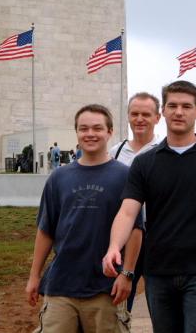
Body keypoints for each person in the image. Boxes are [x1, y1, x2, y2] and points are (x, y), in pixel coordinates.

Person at [103, 80, 196, 333]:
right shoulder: (144, 163)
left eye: (187, 106)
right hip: (158, 272)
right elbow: (127, 212)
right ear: (163, 112)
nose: (179, 112)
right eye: (173, 105)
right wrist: (114, 246)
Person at [25, 104, 141, 333]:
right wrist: (34, 276)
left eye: (97, 128)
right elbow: (45, 230)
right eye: (83, 128)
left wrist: (127, 275)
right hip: (60, 287)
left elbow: (136, 230)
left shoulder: (126, 176)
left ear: (109, 132)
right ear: (76, 133)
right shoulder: (58, 178)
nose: (90, 134)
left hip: (106, 289)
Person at [108, 92, 161, 312]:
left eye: (146, 114)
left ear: (157, 118)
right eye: (135, 114)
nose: (140, 119)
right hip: (126, 237)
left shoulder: (164, 151)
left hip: (158, 237)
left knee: (160, 304)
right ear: (128, 116)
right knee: (120, 301)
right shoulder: (116, 152)